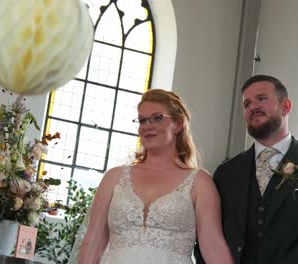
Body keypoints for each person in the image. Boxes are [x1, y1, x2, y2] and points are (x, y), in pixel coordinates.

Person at [194, 75, 298, 264]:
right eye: (247, 104)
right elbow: (207, 235)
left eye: (262, 98)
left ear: (286, 106)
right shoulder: (226, 173)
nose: (253, 107)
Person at [78, 89, 233, 264]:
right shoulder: (114, 177)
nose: (147, 126)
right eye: (142, 120)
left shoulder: (199, 182)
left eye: (157, 118)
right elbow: (93, 241)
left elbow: (213, 246)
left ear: (178, 124)